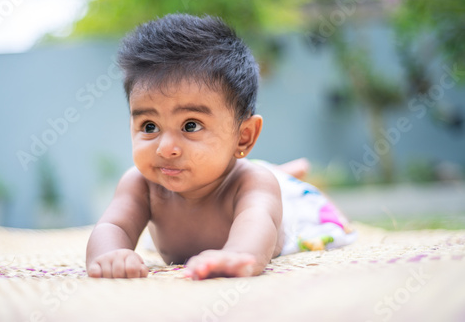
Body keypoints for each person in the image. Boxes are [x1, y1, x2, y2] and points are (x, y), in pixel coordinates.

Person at [86, 14, 356, 280]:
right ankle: (285, 172)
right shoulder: (141, 183)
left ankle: (285, 175)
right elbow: (112, 225)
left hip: (272, 197)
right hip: (234, 168)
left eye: (190, 126)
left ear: (244, 137)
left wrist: (237, 254)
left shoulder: (250, 184)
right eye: (149, 126)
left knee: (278, 187)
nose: (165, 149)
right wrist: (111, 254)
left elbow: (257, 222)